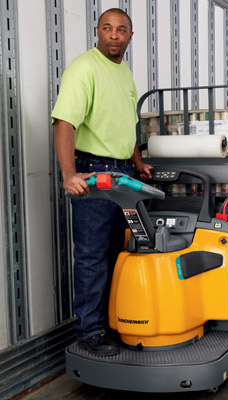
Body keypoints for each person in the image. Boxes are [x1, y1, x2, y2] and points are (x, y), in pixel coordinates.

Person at [51, 8, 152, 356]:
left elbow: (128, 125)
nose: (113, 35)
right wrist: (68, 174)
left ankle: (110, 323)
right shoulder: (84, 67)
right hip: (93, 173)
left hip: (123, 174)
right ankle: (89, 332)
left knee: (115, 251)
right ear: (98, 31)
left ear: (130, 37)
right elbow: (64, 122)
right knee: (92, 255)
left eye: (121, 30)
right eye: (107, 28)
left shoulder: (124, 74)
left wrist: (139, 164)